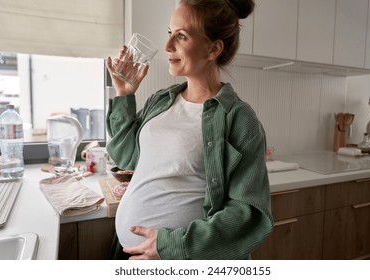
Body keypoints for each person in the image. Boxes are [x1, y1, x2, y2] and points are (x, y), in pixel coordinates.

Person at [105, 0, 273, 260]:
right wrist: (124, 96)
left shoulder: (239, 119)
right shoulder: (161, 101)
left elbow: (247, 213)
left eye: (181, 36)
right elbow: (125, 156)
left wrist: (171, 246)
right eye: (169, 33)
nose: (167, 46)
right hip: (131, 254)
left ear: (213, 49)